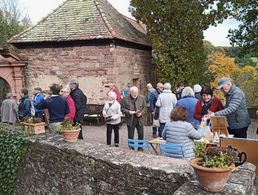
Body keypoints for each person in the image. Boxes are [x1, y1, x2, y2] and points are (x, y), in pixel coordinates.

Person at [121, 86, 146, 151]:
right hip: (130, 119)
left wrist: (141, 113)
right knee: (130, 135)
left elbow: (145, 108)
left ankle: (140, 147)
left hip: (139, 119)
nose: (135, 95)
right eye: (133, 93)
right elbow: (122, 109)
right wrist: (129, 112)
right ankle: (131, 148)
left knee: (141, 134)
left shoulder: (142, 98)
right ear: (130, 92)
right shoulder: (125, 99)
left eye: (136, 93)